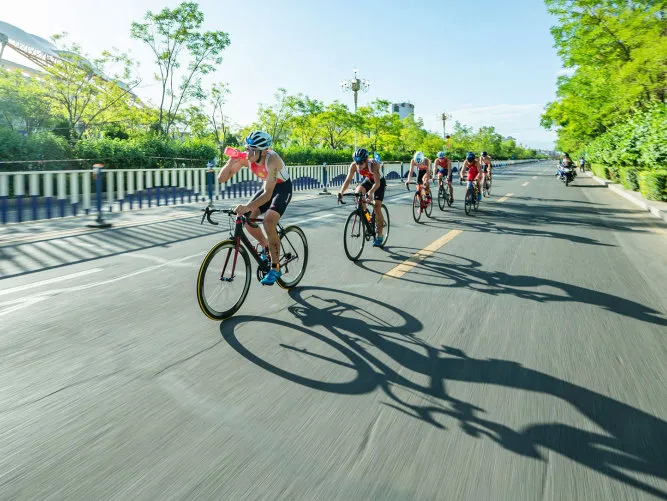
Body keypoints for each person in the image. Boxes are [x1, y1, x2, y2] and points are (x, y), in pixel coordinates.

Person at [216, 130, 292, 286]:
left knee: (269, 221)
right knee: (247, 218)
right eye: (247, 147)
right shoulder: (247, 158)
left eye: (252, 149)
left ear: (263, 151)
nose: (247, 152)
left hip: (282, 188)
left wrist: (247, 206)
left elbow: (268, 193)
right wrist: (230, 162)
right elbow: (221, 179)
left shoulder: (273, 160)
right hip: (267, 187)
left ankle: (276, 268)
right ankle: (266, 246)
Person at [338, 148, 386, 247]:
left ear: (366, 160)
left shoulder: (373, 165)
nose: (358, 165)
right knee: (357, 193)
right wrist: (341, 192)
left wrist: (371, 192)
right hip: (368, 180)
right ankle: (366, 214)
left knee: (377, 206)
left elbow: (377, 183)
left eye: (361, 163)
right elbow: (347, 181)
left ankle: (379, 236)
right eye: (357, 162)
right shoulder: (353, 166)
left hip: (379, 183)